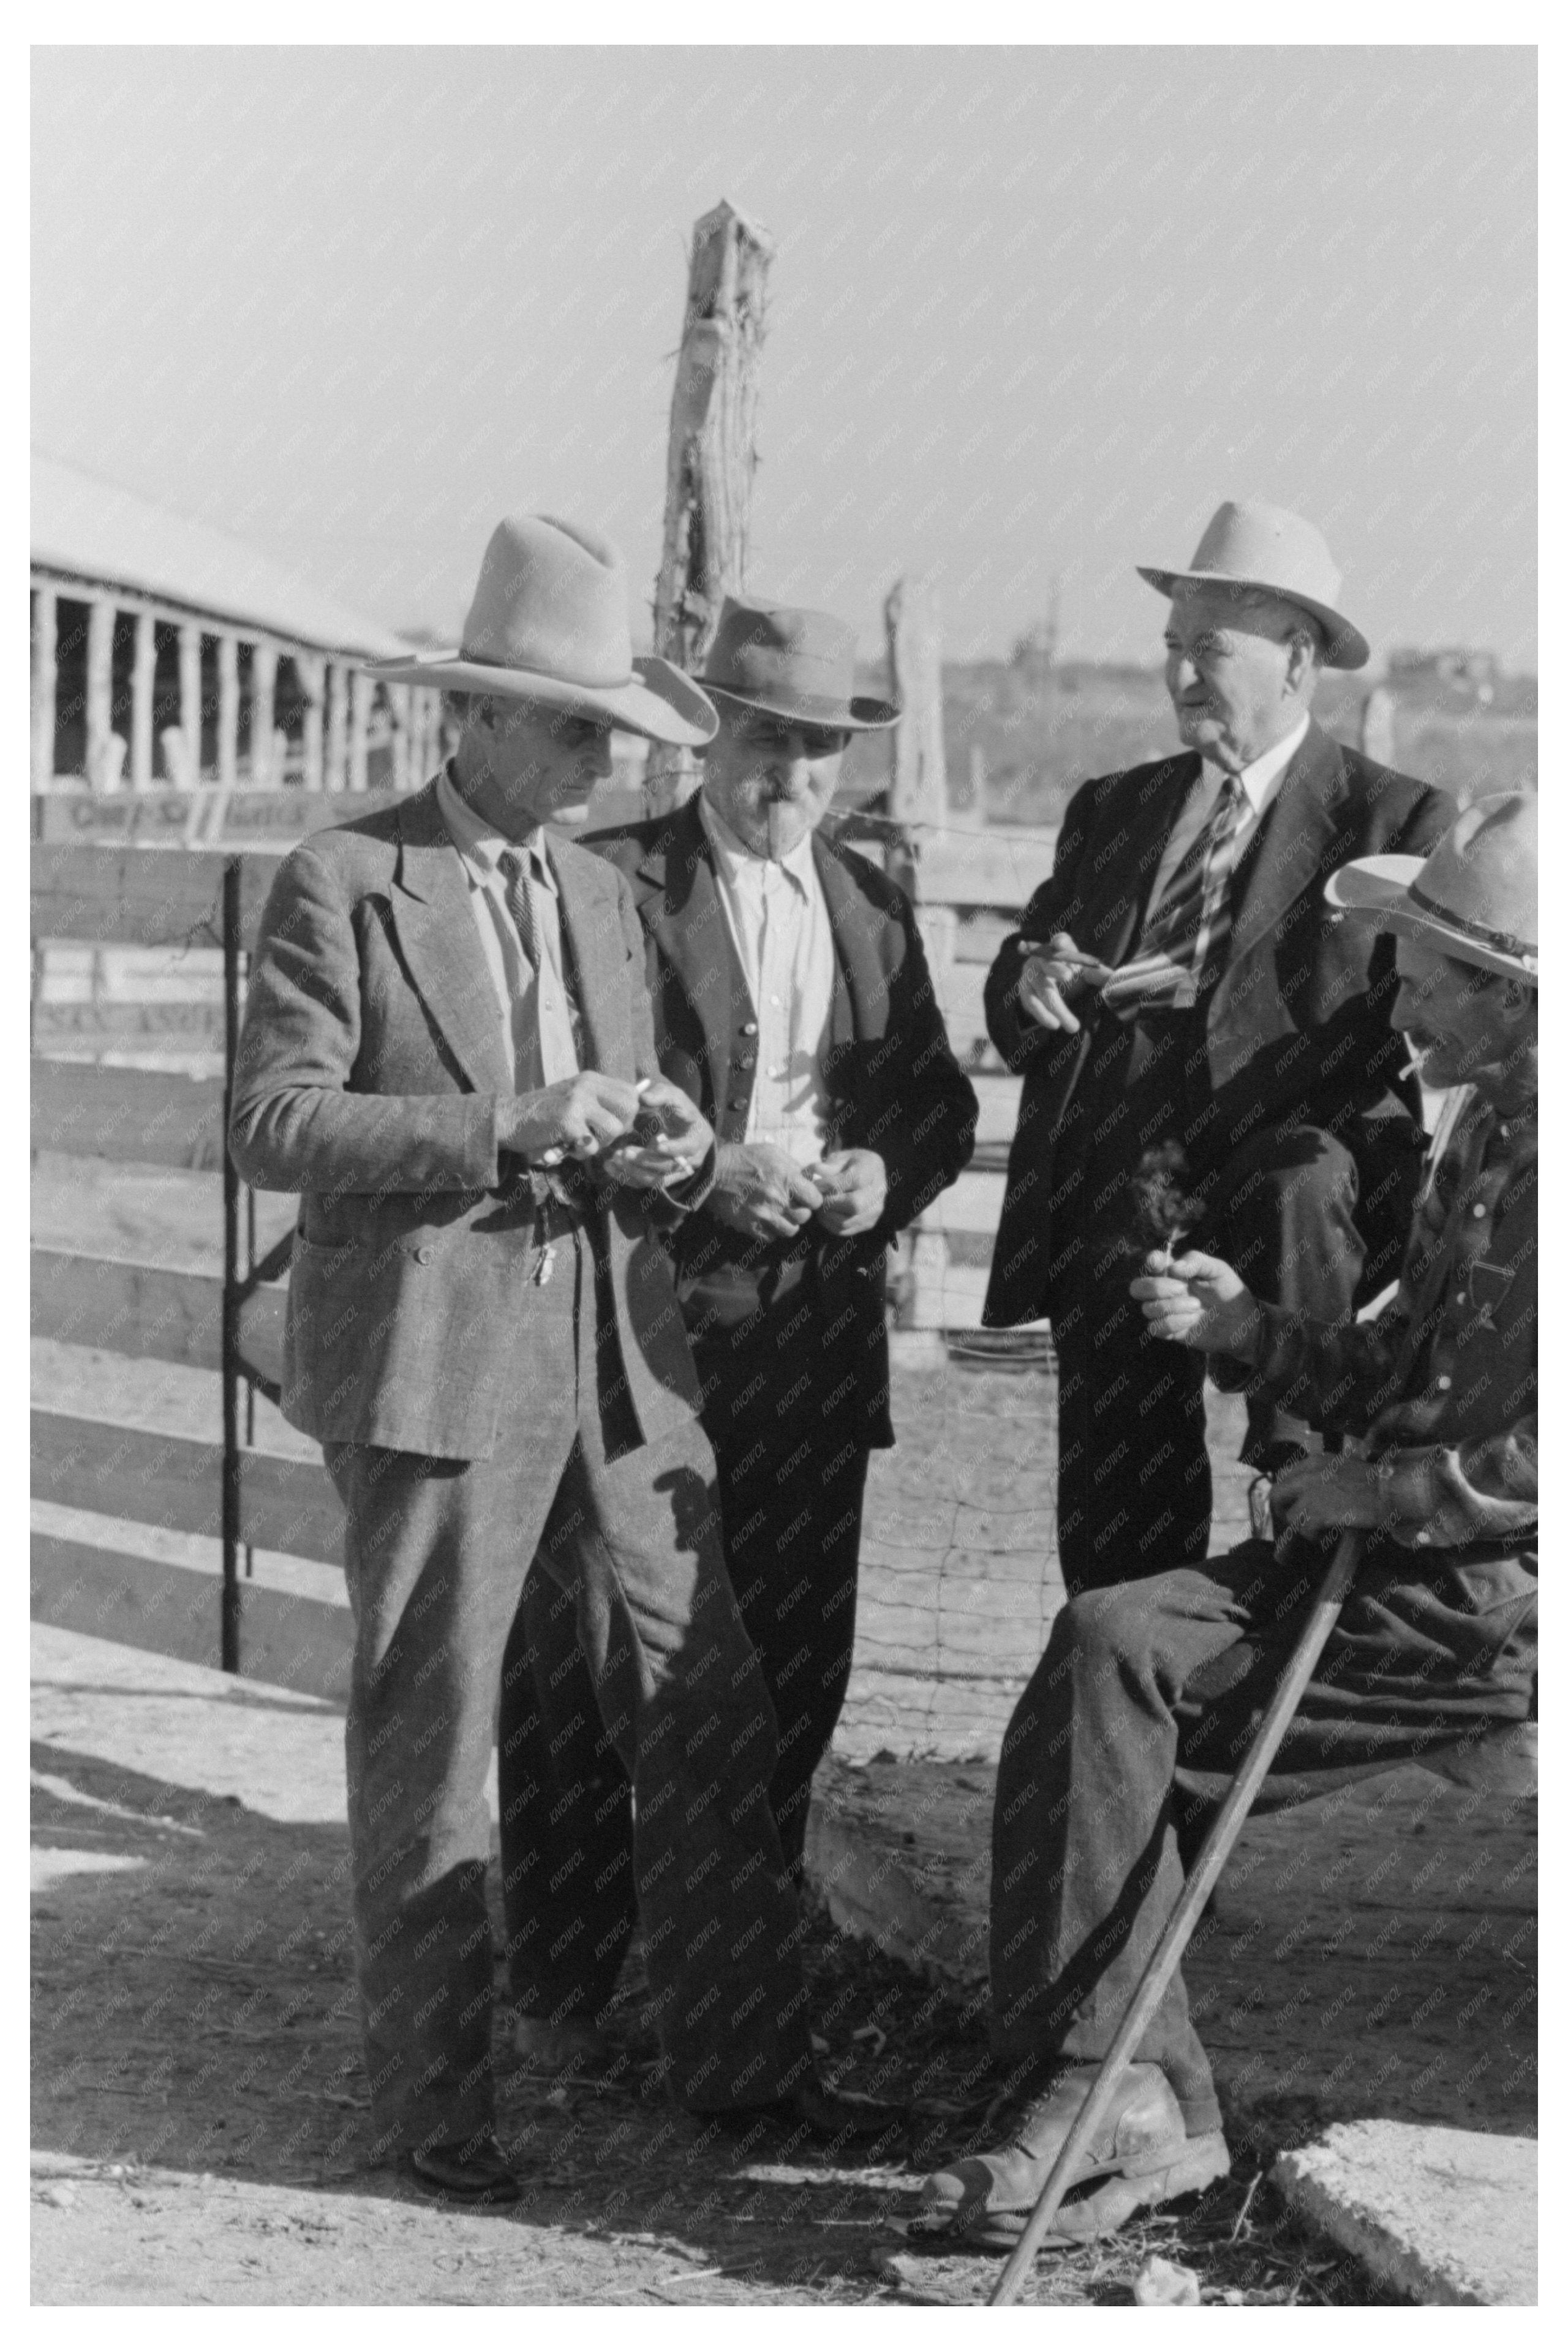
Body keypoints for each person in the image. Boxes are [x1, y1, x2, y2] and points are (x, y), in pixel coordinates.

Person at [230, 516, 881, 2206]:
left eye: (615, 733)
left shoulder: (598, 891)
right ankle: (434, 2108)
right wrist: (505, 1121)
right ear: (487, 718)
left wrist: (674, 1151)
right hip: (440, 1355)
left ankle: (745, 2065)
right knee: (435, 1724)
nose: (609, 762)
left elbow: (632, 1111)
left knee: (704, 1690)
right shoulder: (345, 879)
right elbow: (276, 1121)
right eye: (583, 727)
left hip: (623, 1352)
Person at [918, 793, 1537, 2249]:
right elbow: (1400, 1366)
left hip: (1481, 1603)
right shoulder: (1488, 1131)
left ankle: (1111, 2089)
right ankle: (1122, 2085)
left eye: (1427, 968)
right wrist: (1254, 1325)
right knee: (1097, 1648)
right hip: (1395, 1559)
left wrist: (1375, 1489)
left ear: (1508, 995)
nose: (1396, 994)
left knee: (1123, 1687)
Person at [500, 598, 978, 2061]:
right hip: (646, 1328)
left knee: (793, 1654)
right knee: (594, 1655)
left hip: (811, 1340)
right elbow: (563, 1087)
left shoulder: (870, 909)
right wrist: (711, 1171)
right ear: (710, 736)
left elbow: (936, 1105)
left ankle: (730, 1988)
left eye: (822, 750)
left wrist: (879, 1174)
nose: (795, 776)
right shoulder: (612, 887)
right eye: (771, 741)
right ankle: (568, 1987)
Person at [983, 500, 1456, 1597]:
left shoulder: (1394, 823)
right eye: (1172, 650)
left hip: (1293, 1204)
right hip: (1127, 1195)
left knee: (1301, 1187)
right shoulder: (1112, 810)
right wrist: (1034, 978)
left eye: (1211, 649)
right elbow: (1022, 994)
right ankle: (1130, 1696)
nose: (1183, 676)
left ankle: (1296, 1499)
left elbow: (1432, 1027)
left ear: (1297, 660)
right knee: (1116, 1522)